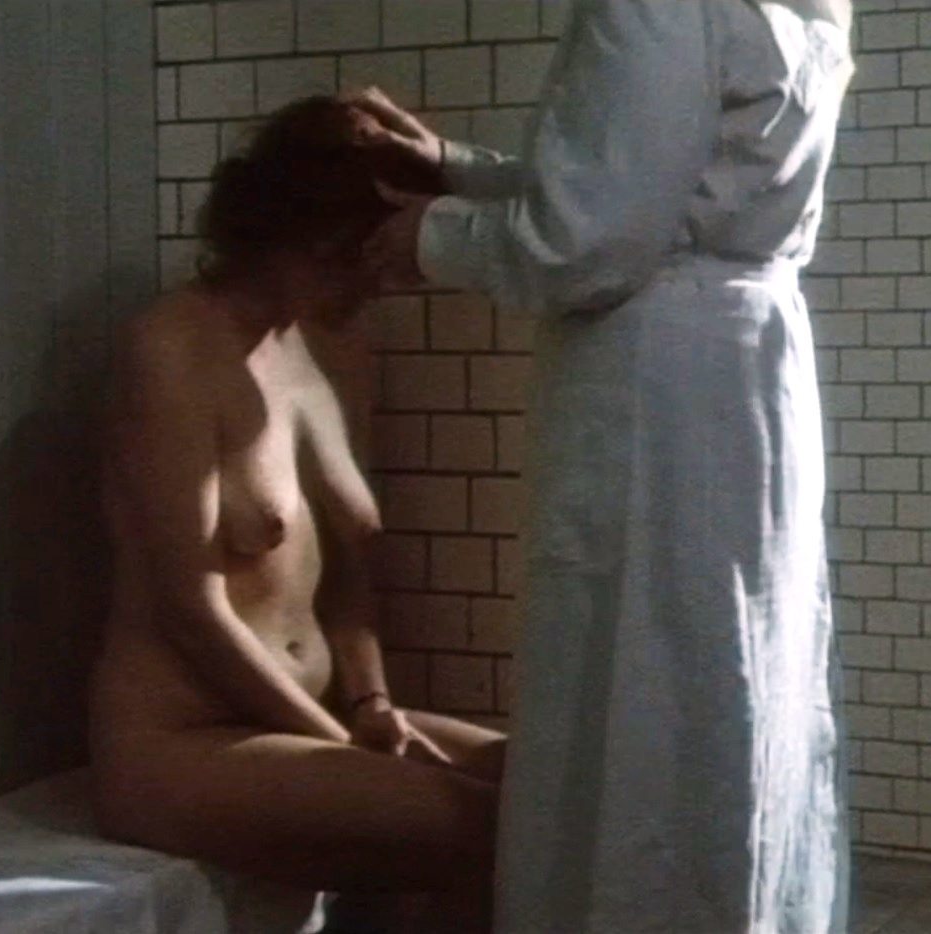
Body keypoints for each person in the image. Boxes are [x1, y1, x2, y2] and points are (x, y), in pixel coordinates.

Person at [354, 0, 856, 930]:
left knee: (644, 670)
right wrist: (456, 168)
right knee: (725, 666)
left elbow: (590, 239)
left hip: (656, 382)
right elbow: (662, 176)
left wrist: (431, 237)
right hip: (743, 365)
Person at [88, 95, 504, 932]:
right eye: (380, 257)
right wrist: (343, 747)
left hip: (315, 721)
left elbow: (349, 575)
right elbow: (190, 612)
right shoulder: (170, 349)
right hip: (184, 740)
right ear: (320, 236)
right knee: (486, 827)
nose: (392, 281)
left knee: (561, 797)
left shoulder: (333, 347)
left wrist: (372, 704)